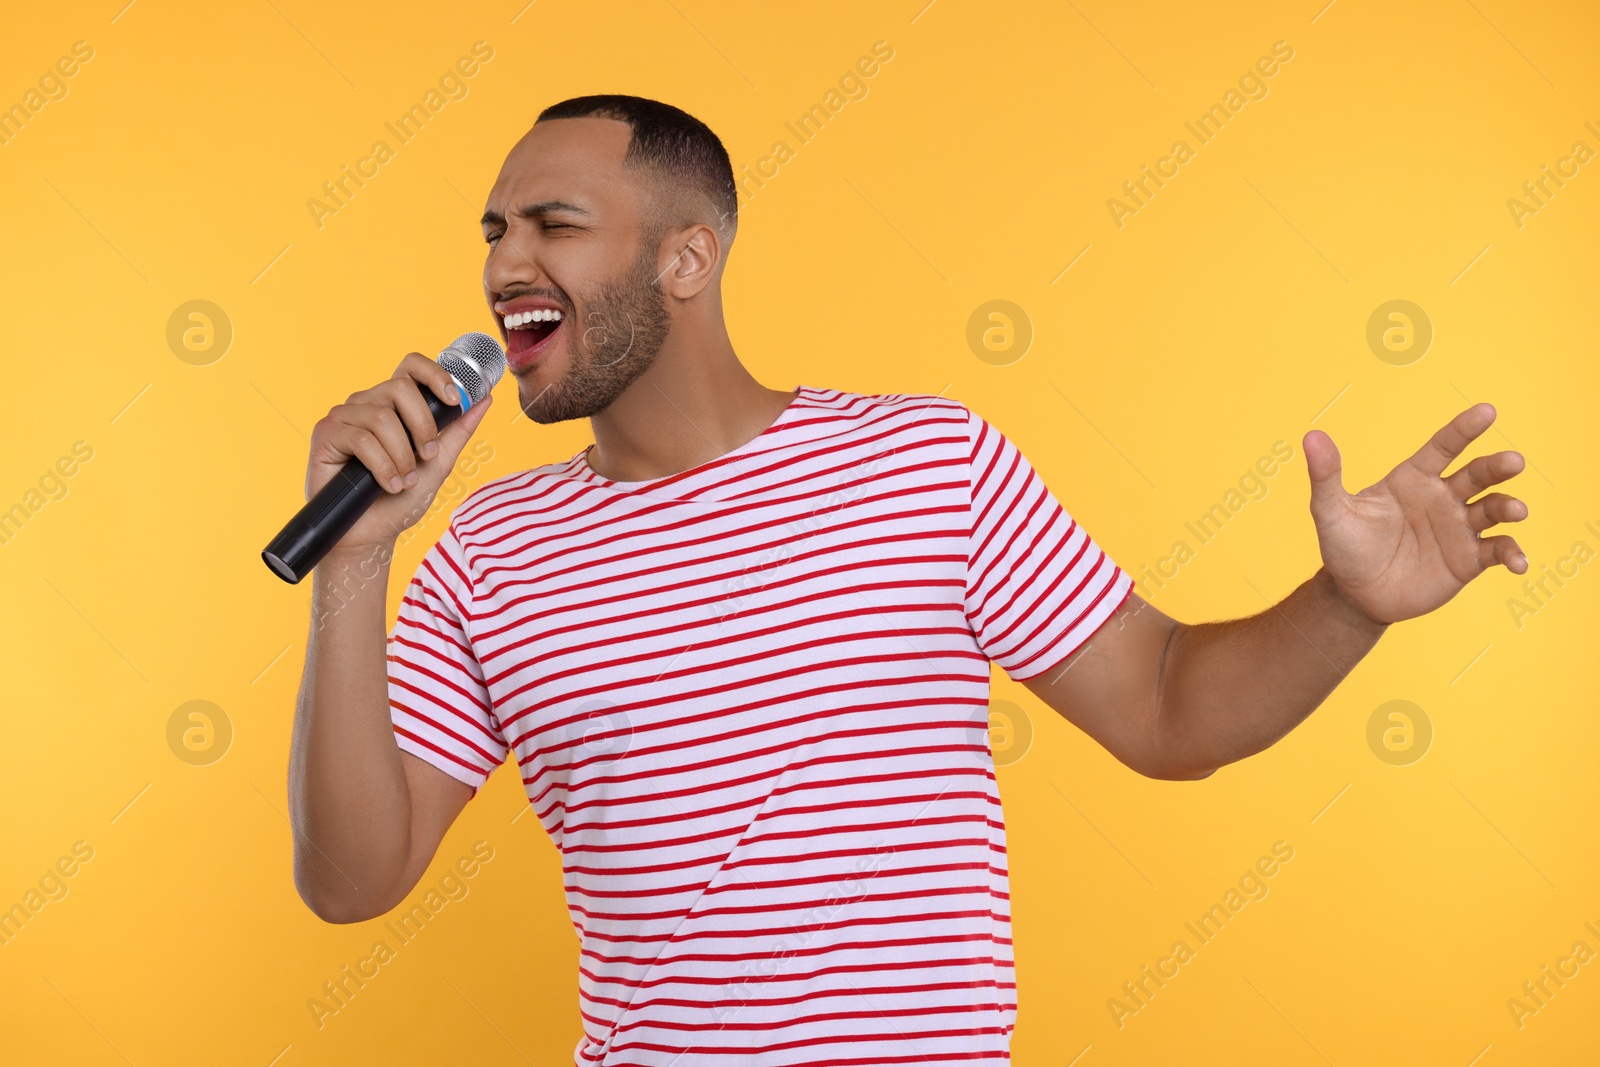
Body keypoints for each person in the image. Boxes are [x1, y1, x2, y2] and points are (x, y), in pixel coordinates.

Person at [286, 95, 1531, 1064]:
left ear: (687, 257)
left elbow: (1164, 707)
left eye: (553, 223)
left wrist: (1345, 606)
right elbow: (353, 878)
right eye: (494, 231)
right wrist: (357, 560)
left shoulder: (925, 463)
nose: (506, 261)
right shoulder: (492, 552)